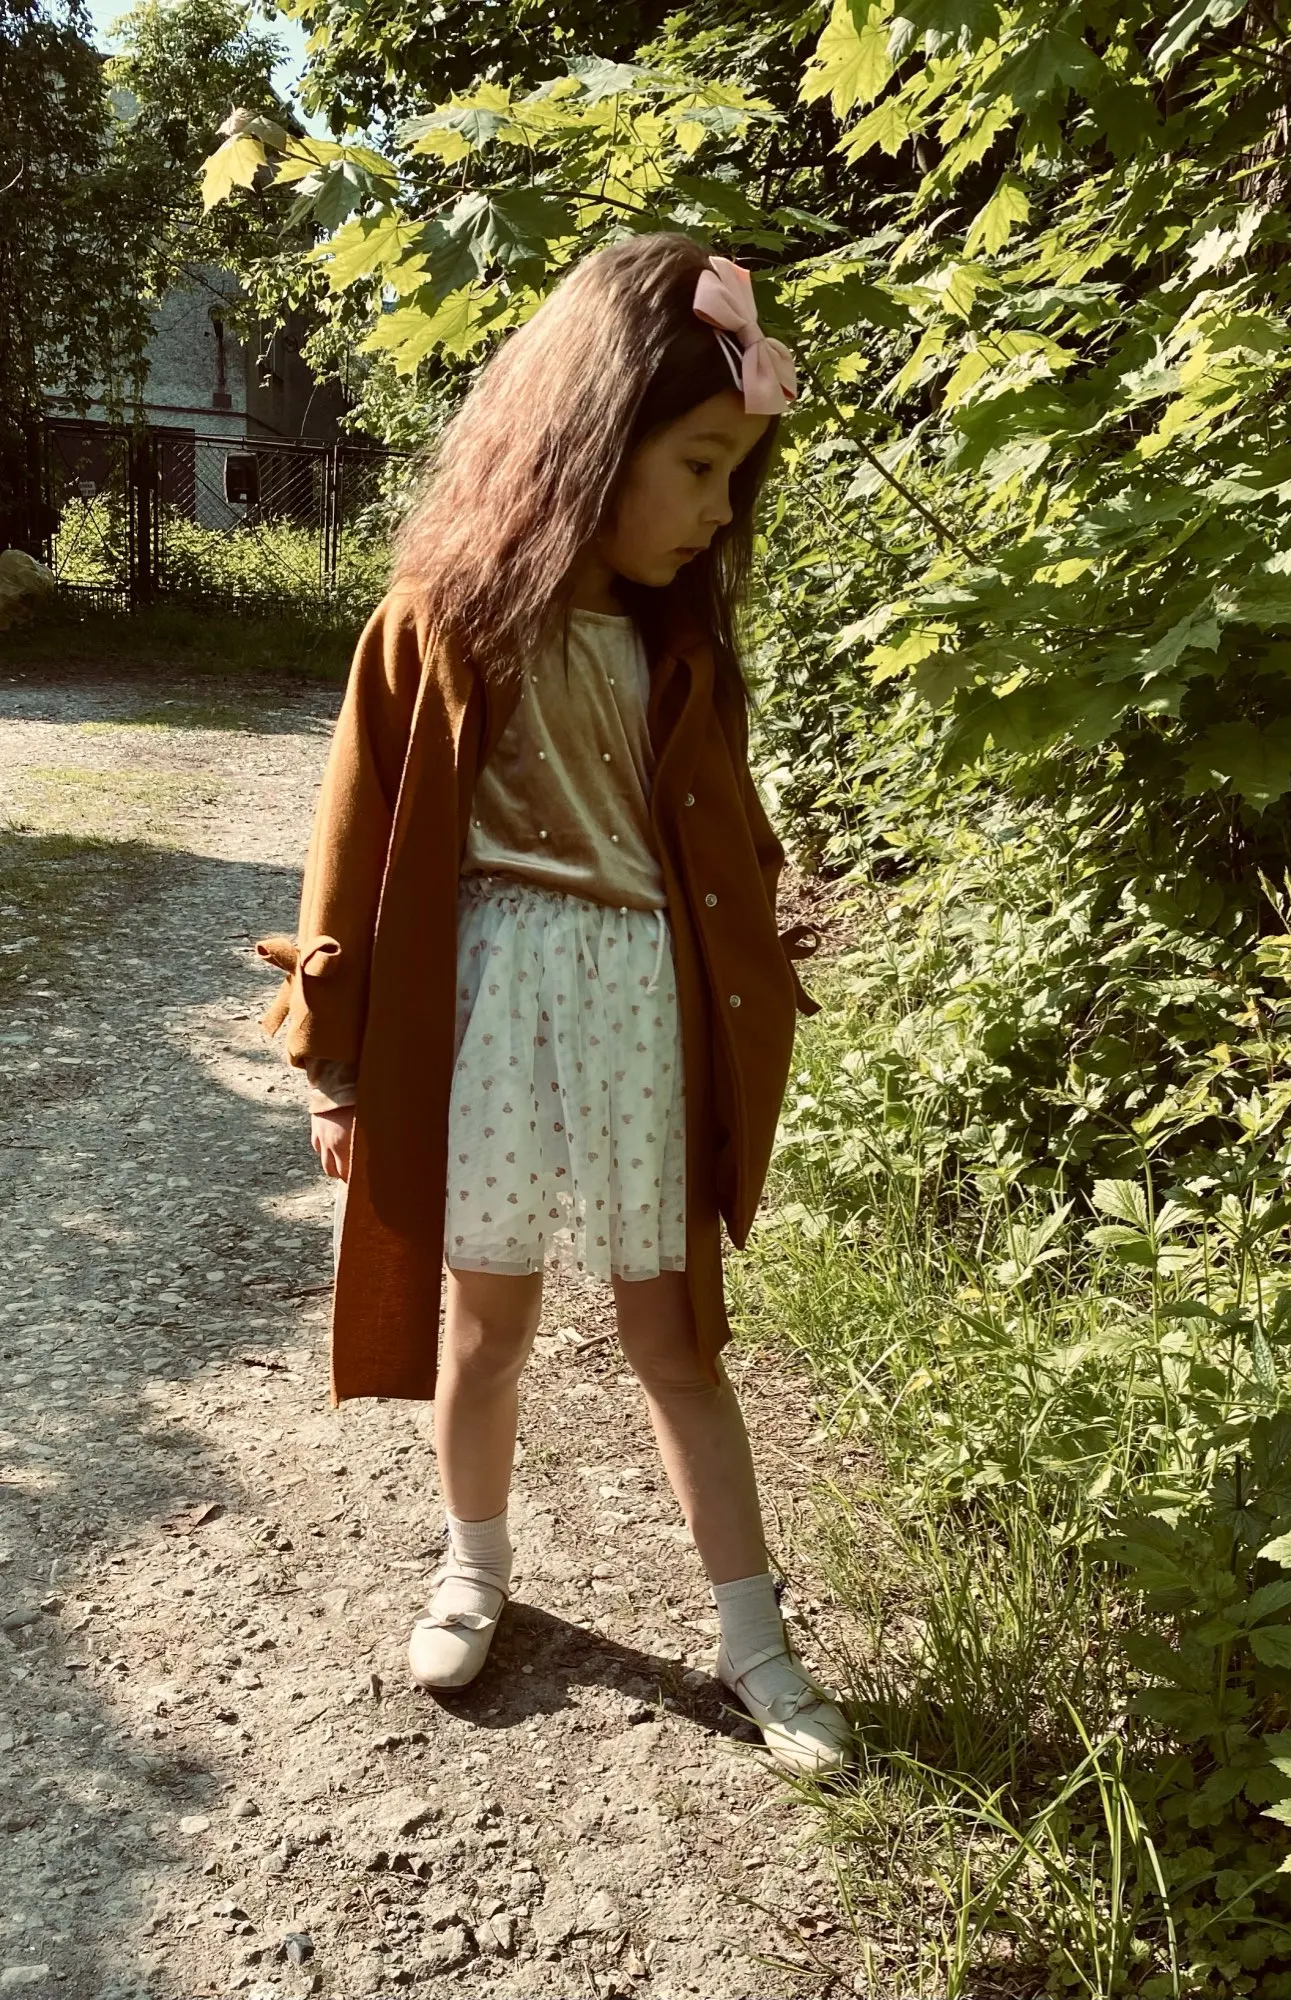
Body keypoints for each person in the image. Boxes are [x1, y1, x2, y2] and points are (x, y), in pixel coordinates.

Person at [255, 232, 850, 1778]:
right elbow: (350, 845)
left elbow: (729, 849)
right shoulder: (438, 622)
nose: (715, 511)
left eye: (733, 479)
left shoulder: (682, 645)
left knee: (674, 1334)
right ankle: (473, 1567)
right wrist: (334, 1068)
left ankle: (753, 1640)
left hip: (642, 1000)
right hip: (489, 996)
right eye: (699, 467)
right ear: (593, 437)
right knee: (486, 1316)